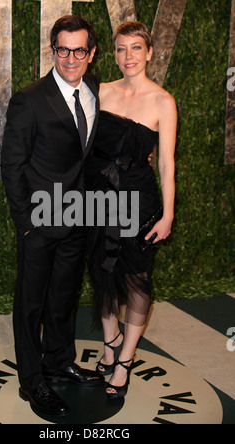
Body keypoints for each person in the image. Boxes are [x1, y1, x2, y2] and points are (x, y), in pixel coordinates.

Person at [0, 15, 103, 417]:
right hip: (40, 222)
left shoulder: (94, 89)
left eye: (79, 50)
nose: (71, 58)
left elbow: (89, 146)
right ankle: (32, 379)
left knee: (63, 298)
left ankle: (59, 361)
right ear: (52, 50)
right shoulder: (30, 98)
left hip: (78, 218)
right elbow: (12, 165)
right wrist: (26, 222)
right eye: (63, 49)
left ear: (91, 54)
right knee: (31, 304)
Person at [86, 21, 177, 399]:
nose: (128, 57)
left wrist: (168, 214)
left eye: (136, 48)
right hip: (97, 197)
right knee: (100, 271)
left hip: (138, 198)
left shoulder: (162, 101)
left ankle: (124, 360)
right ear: (114, 52)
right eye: (121, 49)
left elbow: (167, 163)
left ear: (149, 52)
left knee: (136, 279)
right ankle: (110, 344)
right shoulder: (100, 91)